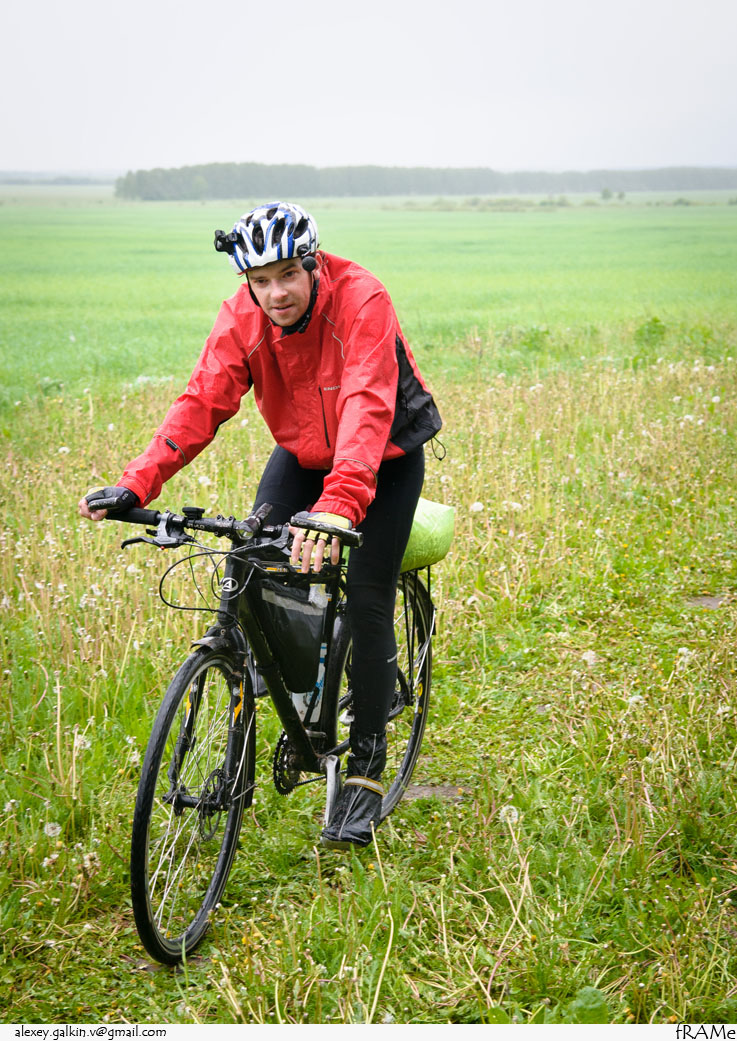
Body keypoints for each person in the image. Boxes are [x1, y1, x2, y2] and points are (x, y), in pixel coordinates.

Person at [79, 201, 442, 849]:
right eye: (259, 280)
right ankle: (296, 707)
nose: (275, 294)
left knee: (366, 595)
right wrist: (137, 482)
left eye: (287, 276)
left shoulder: (362, 299)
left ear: (313, 266)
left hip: (383, 456)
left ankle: (365, 765)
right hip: (303, 452)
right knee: (252, 560)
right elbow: (202, 400)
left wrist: (338, 505)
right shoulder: (243, 317)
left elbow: (365, 404)